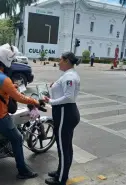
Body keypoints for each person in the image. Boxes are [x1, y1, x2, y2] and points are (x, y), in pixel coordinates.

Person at [0, 43, 41, 179]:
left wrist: (11, 87)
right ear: (6, 61)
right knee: (18, 138)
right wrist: (34, 101)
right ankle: (23, 171)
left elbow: (0, 90)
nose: (12, 63)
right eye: (12, 61)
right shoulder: (4, 79)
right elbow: (19, 97)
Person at [43, 52, 81, 185]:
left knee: (64, 148)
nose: (58, 62)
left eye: (60, 60)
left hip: (65, 112)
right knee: (63, 146)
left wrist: (51, 101)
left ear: (67, 61)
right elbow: (64, 92)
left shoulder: (69, 76)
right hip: (65, 112)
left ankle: (61, 179)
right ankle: (60, 171)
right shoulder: (68, 75)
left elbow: (69, 97)